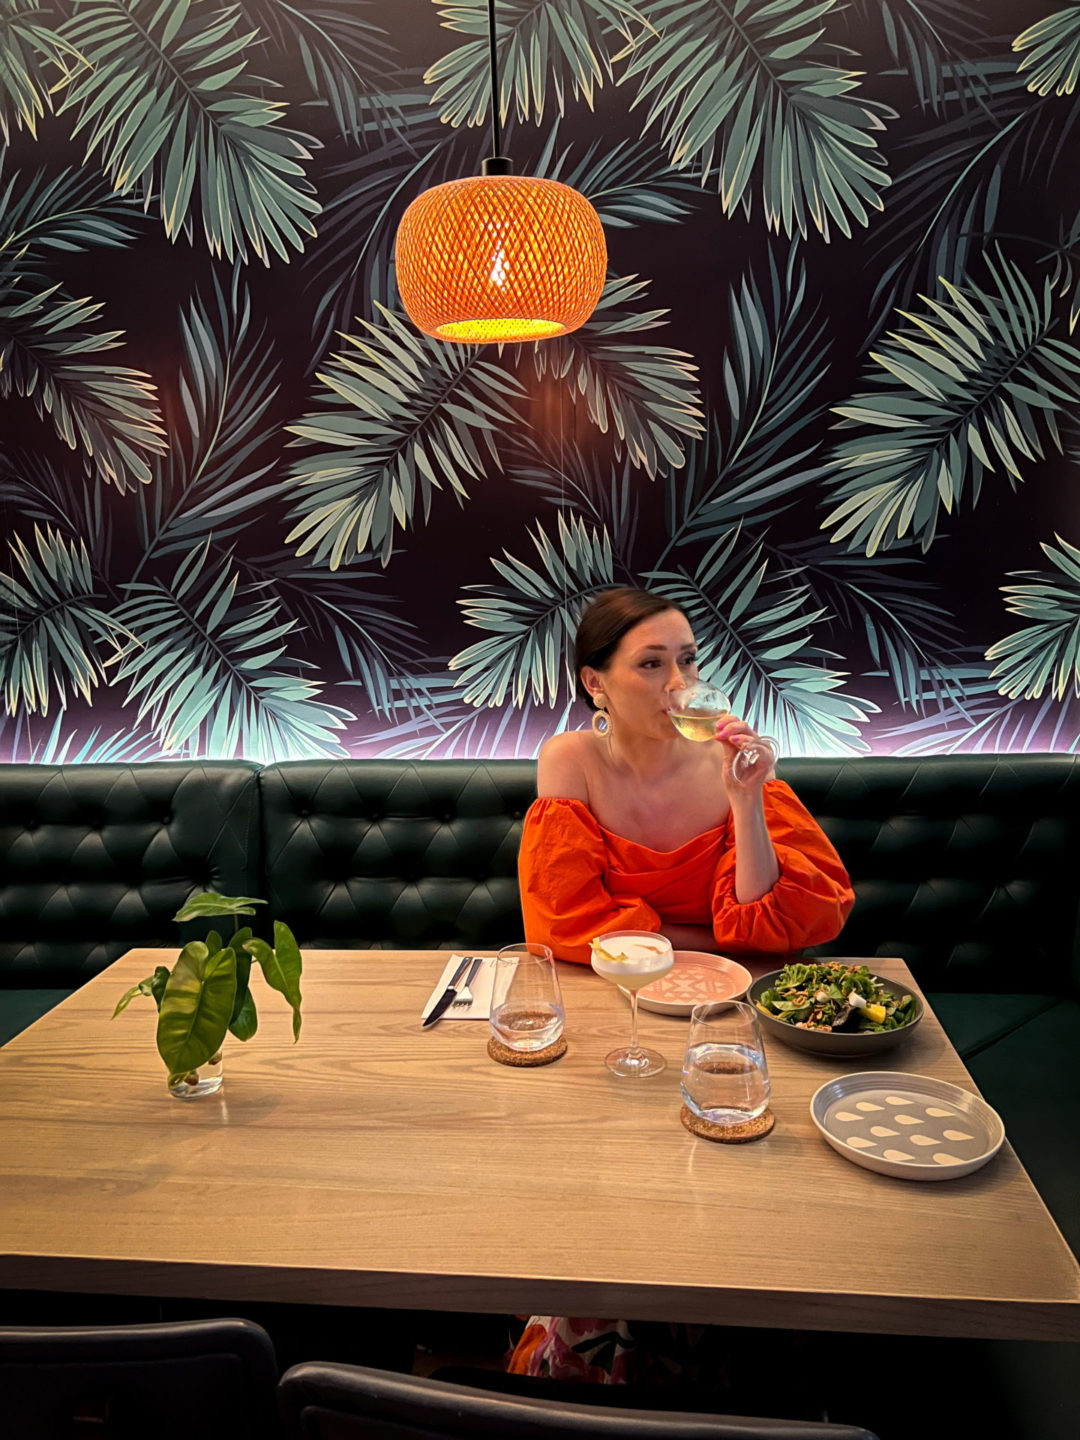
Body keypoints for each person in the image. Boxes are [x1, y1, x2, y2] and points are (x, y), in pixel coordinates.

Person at [508, 586, 854, 1384]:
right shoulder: (570, 760)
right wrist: (709, 933)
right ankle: (596, 1360)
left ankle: (746, 1356)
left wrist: (746, 801)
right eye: (651, 664)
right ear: (596, 682)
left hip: (737, 1012)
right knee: (613, 1192)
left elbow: (779, 923)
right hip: (619, 1016)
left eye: (689, 659)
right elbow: (565, 921)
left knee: (744, 1184)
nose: (677, 684)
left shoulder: (725, 758)